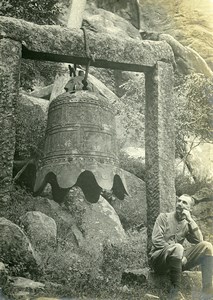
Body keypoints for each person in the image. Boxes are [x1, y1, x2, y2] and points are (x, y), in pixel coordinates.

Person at [149, 194, 213, 300]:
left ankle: (207, 293)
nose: (180, 204)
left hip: (176, 260)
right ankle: (175, 292)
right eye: (179, 201)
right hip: (159, 260)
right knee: (178, 247)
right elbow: (156, 240)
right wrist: (176, 250)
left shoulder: (187, 224)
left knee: (207, 246)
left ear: (190, 209)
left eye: (184, 203)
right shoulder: (163, 217)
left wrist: (190, 220)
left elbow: (199, 241)